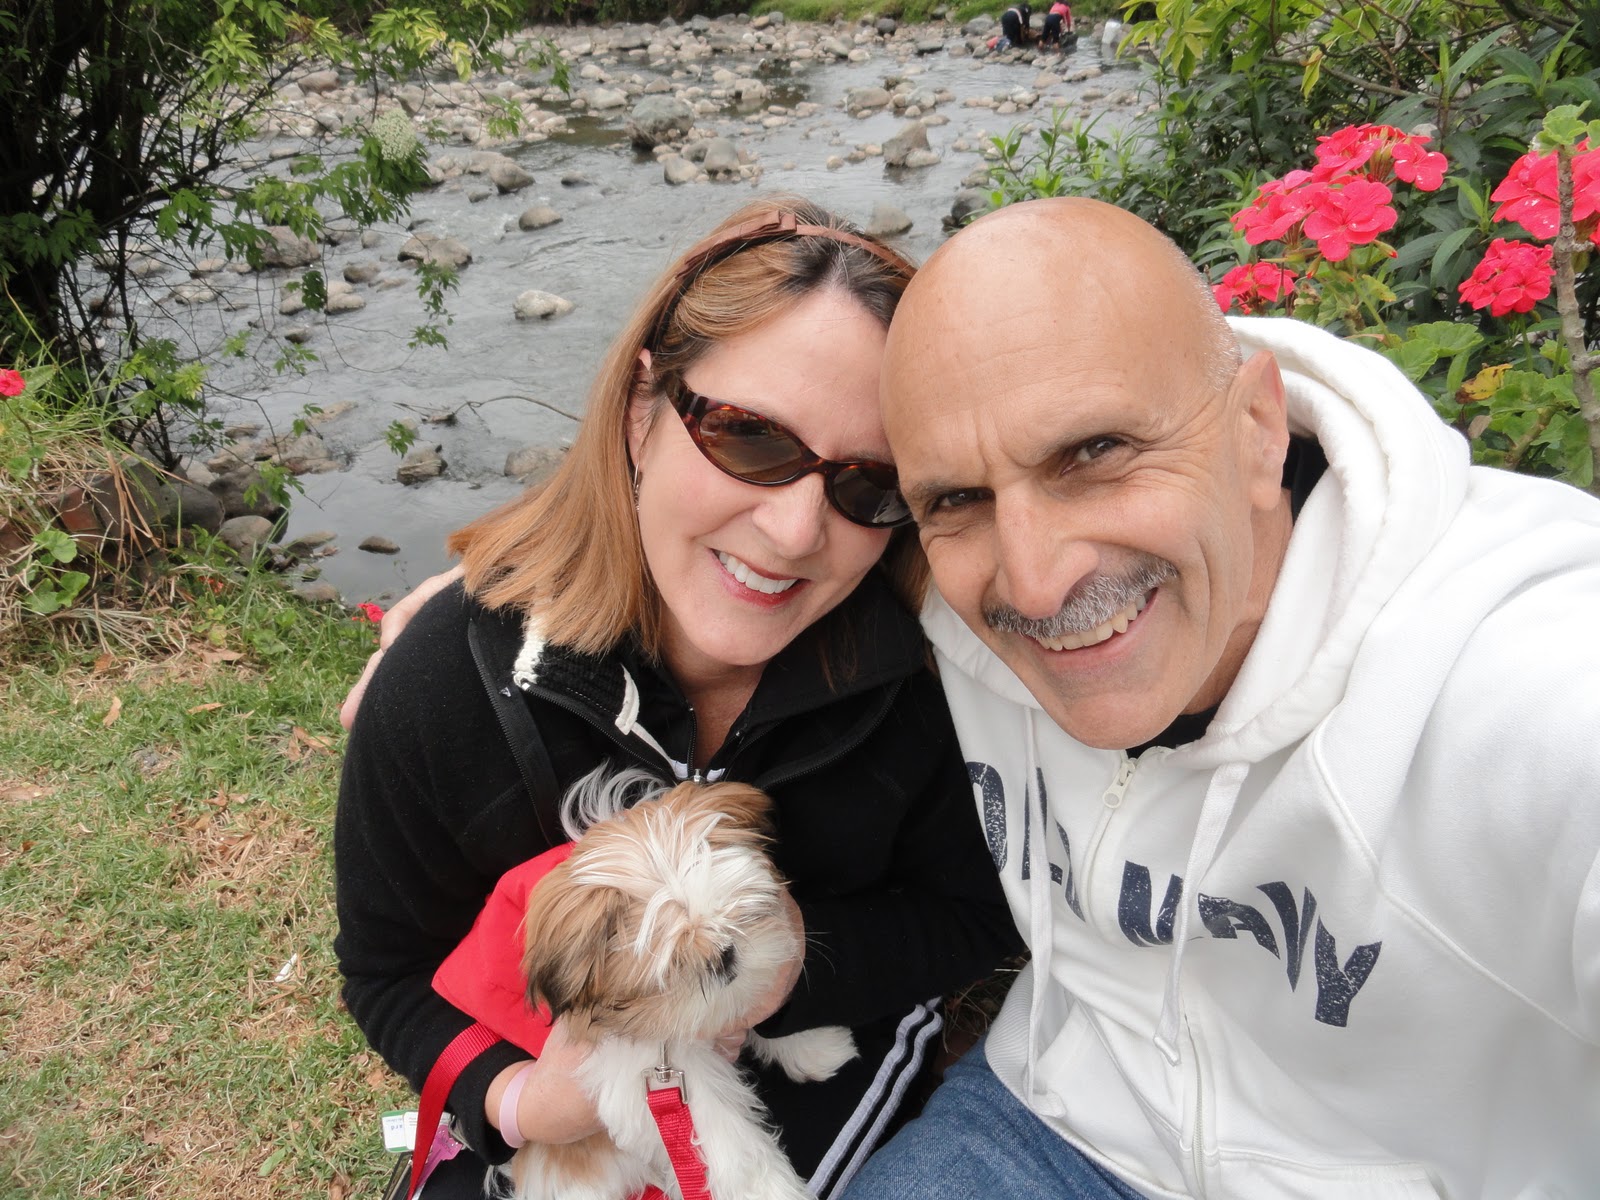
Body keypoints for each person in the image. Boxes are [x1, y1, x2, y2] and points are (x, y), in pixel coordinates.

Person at [836, 197, 1600, 1197]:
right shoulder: (946, 614)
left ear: (1256, 430)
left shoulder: (1527, 684)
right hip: (1058, 1111)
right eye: (957, 500)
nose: (1034, 584)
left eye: (1093, 454)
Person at [335, 198, 1021, 1200]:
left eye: (870, 483)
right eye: (749, 437)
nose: (794, 532)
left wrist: (794, 969)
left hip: (824, 1045)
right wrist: (519, 1102)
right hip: (544, 1099)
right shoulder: (449, 685)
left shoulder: (932, 677)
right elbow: (385, 972)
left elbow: (978, 913)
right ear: (641, 412)